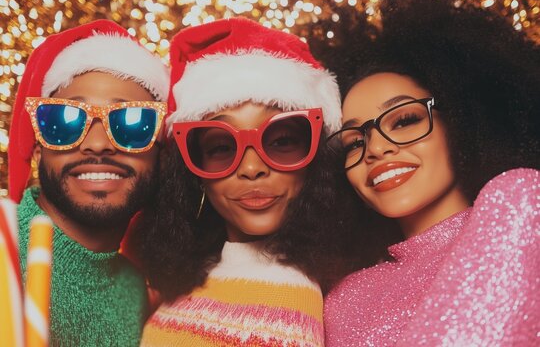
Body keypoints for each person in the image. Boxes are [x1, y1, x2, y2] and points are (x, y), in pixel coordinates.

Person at [307, 0, 540, 345]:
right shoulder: (343, 299)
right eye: (354, 141)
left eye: (404, 121)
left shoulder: (522, 206)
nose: (376, 149)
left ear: (464, 121)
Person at [132, 17, 360, 346]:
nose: (251, 168)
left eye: (280, 141)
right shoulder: (184, 275)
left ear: (317, 158)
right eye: (222, 147)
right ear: (191, 170)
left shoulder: (298, 301)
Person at [7, 20, 170, 346]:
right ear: (38, 148)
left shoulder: (138, 292)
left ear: (160, 154)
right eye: (64, 121)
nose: (97, 144)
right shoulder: (5, 255)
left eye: (132, 123)